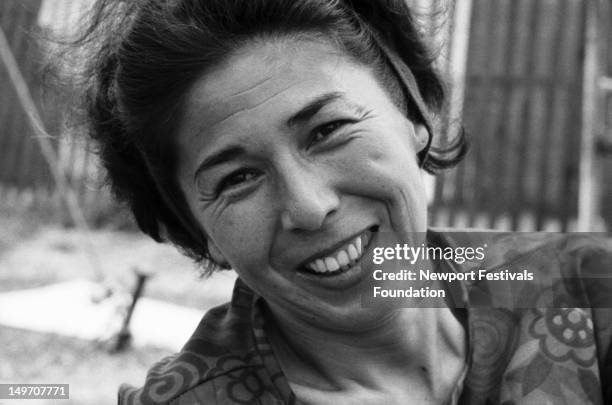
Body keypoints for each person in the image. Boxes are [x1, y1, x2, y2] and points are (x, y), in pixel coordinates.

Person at [70, 0, 612, 403]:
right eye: (237, 179)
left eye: (328, 130)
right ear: (194, 225)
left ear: (415, 115)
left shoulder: (578, 288)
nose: (308, 207)